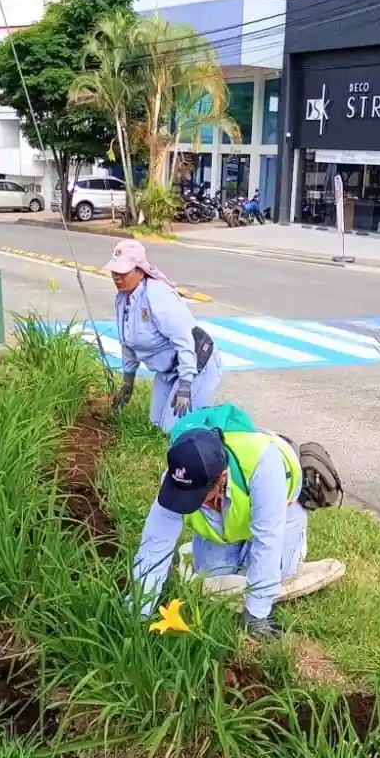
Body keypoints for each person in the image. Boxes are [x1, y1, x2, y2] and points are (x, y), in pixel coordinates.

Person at [129, 406, 345, 638]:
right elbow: (154, 544)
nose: (188, 501)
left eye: (197, 496)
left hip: (282, 506)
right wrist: (138, 611)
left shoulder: (263, 464)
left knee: (276, 574)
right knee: (213, 579)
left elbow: (268, 540)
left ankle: (294, 543)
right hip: (231, 520)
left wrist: (256, 615)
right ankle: (238, 546)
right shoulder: (179, 477)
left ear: (221, 478)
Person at [105, 238, 221, 433]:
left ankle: (217, 431)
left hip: (196, 365)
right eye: (114, 272)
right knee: (156, 426)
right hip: (167, 371)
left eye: (123, 272)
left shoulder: (157, 295)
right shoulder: (122, 300)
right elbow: (128, 343)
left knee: (173, 430)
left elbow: (184, 339)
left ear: (140, 271)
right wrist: (127, 384)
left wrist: (185, 385)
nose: (117, 277)